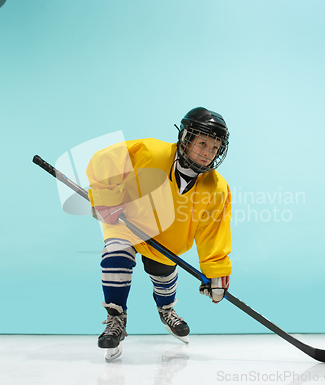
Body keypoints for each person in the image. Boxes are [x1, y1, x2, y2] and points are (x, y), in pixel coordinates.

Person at [86, 107, 232, 359]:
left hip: (166, 239)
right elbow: (103, 160)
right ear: (186, 138)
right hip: (126, 221)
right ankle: (115, 319)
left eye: (215, 147)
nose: (208, 153)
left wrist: (216, 271)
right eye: (203, 143)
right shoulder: (150, 152)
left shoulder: (217, 188)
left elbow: (213, 232)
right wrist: (105, 198)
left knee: (162, 273)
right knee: (116, 255)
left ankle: (166, 310)